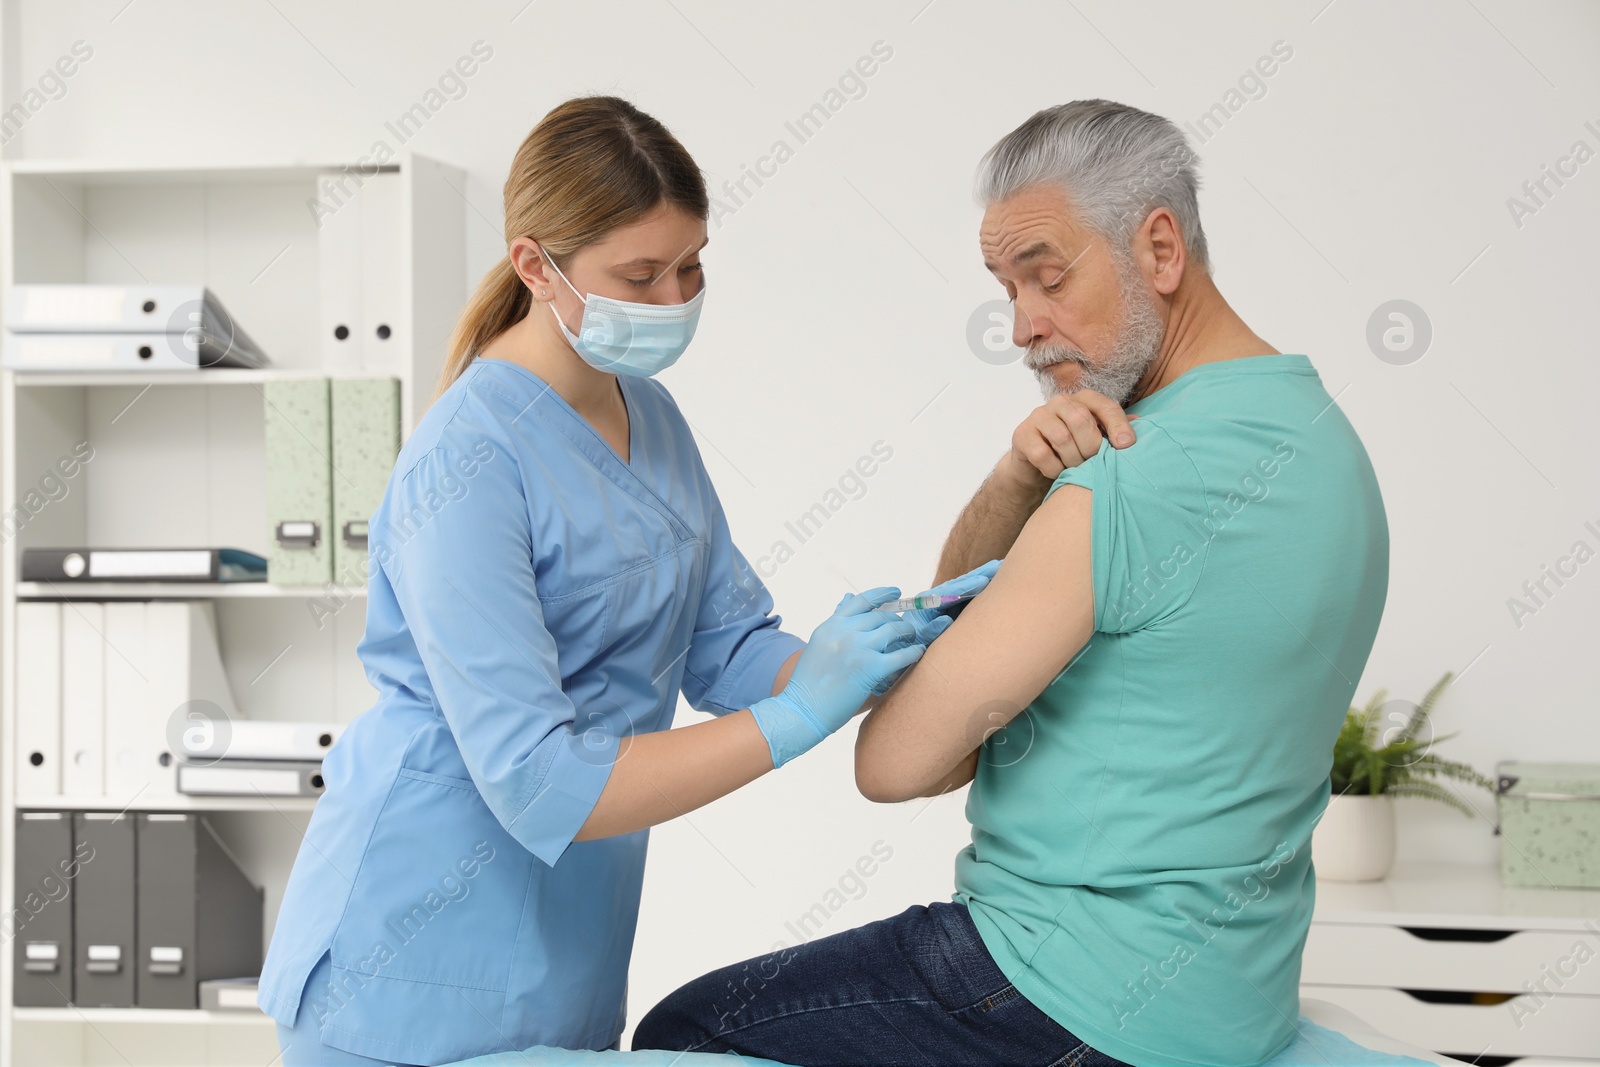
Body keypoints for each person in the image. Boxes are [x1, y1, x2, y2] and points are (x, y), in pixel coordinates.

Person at [634, 99, 1389, 1067]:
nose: (1024, 328)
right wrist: (1014, 482)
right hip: (1234, 1001)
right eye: (1007, 289)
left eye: (1047, 276)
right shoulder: (1326, 442)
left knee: (681, 1031)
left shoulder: (1128, 479)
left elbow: (901, 764)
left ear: (1160, 248)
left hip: (1057, 990)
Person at [257, 95, 990, 1067]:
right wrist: (798, 717)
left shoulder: (653, 417)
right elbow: (539, 777)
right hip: (404, 957)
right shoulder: (465, 462)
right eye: (639, 275)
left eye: (689, 266)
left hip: (564, 946)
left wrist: (864, 659)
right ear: (535, 266)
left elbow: (720, 641)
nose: (673, 296)